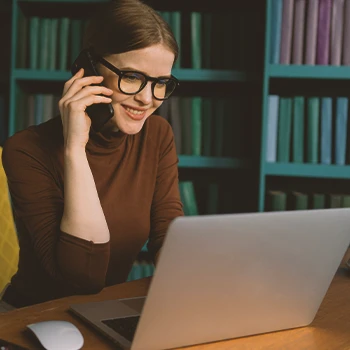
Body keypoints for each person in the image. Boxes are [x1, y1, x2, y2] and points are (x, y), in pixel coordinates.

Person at [1, 0, 184, 308]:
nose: (146, 98)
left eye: (161, 83)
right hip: (32, 318)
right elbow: (83, 278)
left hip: (105, 311)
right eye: (132, 77)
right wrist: (75, 149)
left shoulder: (158, 136)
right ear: (89, 70)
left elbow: (169, 236)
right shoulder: (26, 149)